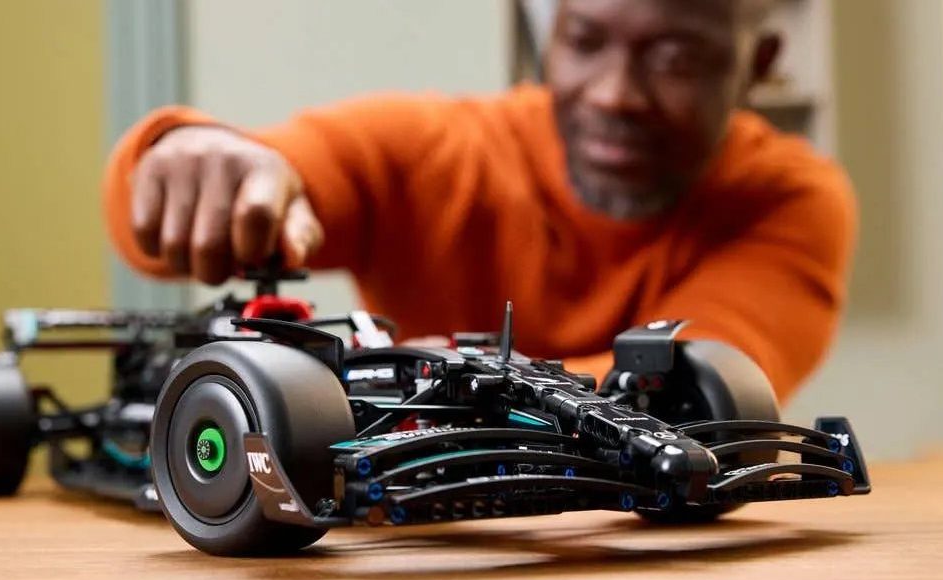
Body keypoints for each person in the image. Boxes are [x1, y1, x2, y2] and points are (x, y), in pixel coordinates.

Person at [102, 0, 856, 403]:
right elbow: (220, 192)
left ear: (756, 65)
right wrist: (186, 158)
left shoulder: (789, 198)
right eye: (585, 40)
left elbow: (703, 390)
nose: (614, 95)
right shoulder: (435, 150)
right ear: (550, 33)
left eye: (676, 59)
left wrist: (433, 388)